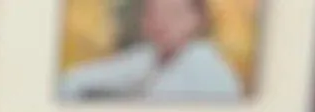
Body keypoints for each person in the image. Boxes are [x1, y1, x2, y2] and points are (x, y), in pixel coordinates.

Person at [59, 0, 243, 101]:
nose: (161, 22)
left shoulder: (207, 67)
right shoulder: (148, 56)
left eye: (173, 13)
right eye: (153, 13)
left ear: (197, 18)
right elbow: (76, 79)